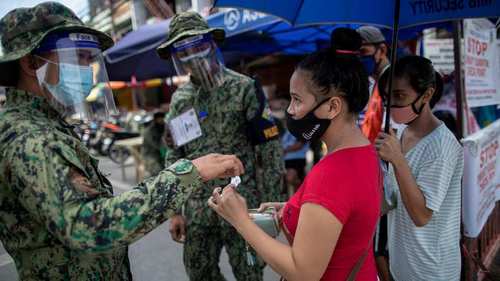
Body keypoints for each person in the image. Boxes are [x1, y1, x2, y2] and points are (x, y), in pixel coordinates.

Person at [0, 3, 244, 280]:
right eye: (77, 57)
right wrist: (189, 174)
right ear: (32, 63)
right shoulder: (28, 136)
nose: (86, 69)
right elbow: (88, 225)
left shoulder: (46, 124)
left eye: (88, 59)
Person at [209, 40, 382, 280]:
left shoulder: (332, 174)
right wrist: (292, 210)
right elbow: (344, 217)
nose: (290, 110)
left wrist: (241, 221)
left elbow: (303, 272)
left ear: (332, 107)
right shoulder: (365, 151)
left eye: (297, 100)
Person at [156, 12, 284, 281]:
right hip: (199, 208)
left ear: (211, 45)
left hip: (241, 202)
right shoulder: (181, 100)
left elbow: (269, 150)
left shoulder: (243, 88)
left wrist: (271, 207)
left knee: (249, 273)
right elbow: (174, 156)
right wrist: (174, 212)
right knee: (199, 271)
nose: (192, 56)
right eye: (184, 52)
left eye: (197, 47)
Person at [375, 56, 463, 281]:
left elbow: (422, 215)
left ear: (426, 95)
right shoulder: (404, 133)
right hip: (402, 266)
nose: (391, 105)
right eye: (387, 97)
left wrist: (398, 160)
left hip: (431, 272)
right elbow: (397, 196)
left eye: (400, 96)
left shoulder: (441, 146)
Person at [281, 128, 309, 197]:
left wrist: (284, 150)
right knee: (288, 182)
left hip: (297, 159)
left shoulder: (302, 129)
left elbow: (299, 144)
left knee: (290, 179)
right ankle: (297, 198)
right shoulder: (288, 130)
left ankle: (303, 191)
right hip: (286, 160)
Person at [142, 111, 167, 177]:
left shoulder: (165, 127)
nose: (161, 120)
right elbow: (156, 145)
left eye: (162, 118)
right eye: (159, 119)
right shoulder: (148, 131)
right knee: (157, 170)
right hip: (150, 154)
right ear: (155, 119)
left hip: (162, 153)